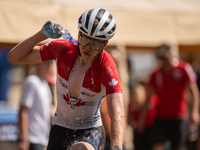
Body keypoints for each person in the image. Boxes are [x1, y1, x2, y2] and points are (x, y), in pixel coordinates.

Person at [8, 8, 125, 150]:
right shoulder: (63, 49)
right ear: (79, 34)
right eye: (86, 39)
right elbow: (14, 57)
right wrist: (41, 35)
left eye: (95, 43)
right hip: (60, 128)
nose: (88, 47)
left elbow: (117, 112)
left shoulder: (106, 65)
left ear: (104, 45)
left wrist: (116, 147)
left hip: (89, 130)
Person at [138, 44, 200, 150]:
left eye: (164, 57)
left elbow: (194, 91)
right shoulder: (156, 72)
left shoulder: (183, 68)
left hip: (178, 116)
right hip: (160, 117)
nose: (163, 60)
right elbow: (149, 97)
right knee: (157, 145)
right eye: (160, 58)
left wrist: (194, 112)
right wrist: (142, 119)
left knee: (178, 146)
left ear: (170, 54)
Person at [17, 61, 54, 150]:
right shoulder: (32, 81)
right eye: (47, 62)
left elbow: (49, 112)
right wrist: (24, 139)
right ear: (38, 63)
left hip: (42, 139)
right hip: (32, 138)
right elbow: (23, 110)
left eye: (51, 62)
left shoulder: (45, 84)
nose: (49, 64)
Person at [128, 81, 157, 150]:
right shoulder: (132, 104)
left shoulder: (151, 101)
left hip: (150, 128)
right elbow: (129, 118)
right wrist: (133, 123)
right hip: (139, 130)